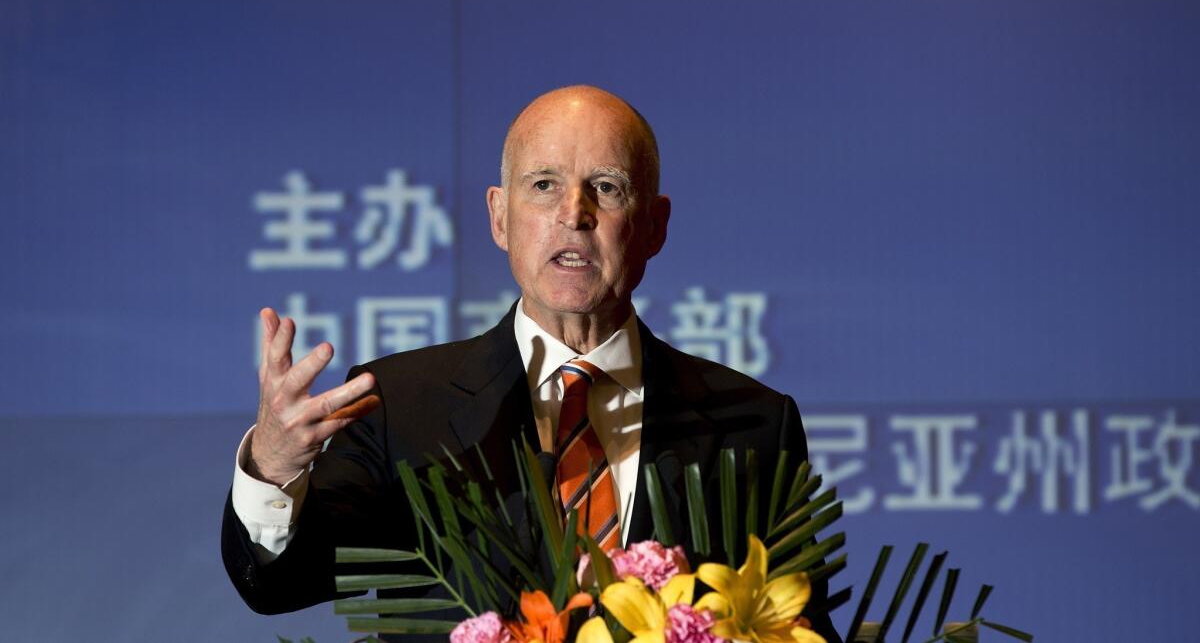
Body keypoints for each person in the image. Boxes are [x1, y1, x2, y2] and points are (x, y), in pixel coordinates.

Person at [222, 85, 840, 641]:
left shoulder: (752, 422)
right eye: (544, 185)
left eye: (606, 187)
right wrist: (273, 466)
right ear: (499, 216)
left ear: (654, 225)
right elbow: (281, 586)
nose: (574, 213)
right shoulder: (400, 405)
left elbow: (798, 627)